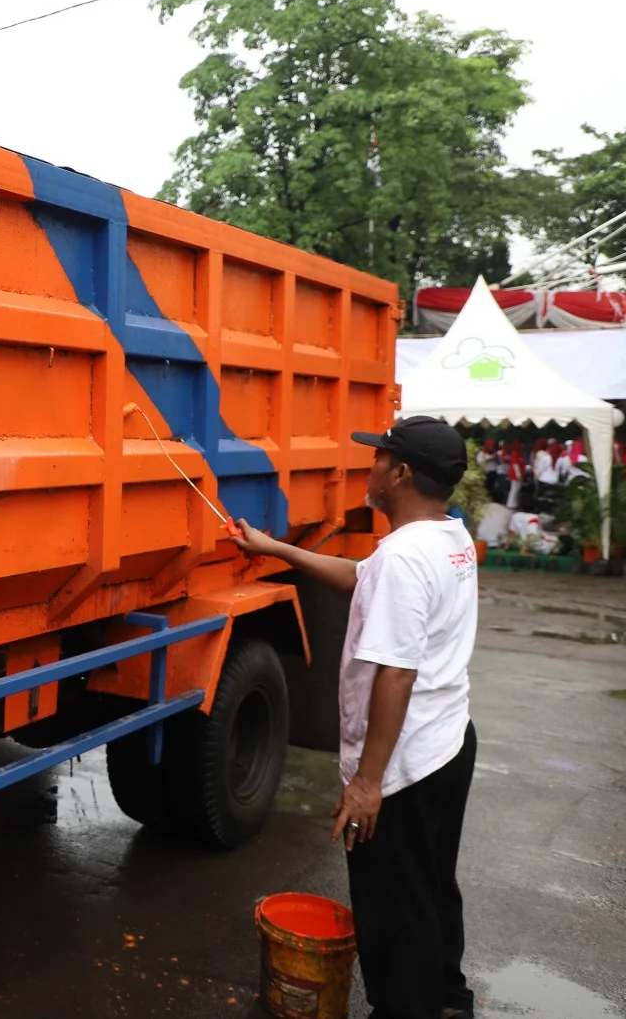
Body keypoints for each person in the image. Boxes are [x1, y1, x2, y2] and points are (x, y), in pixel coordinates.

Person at [232, 416, 477, 1019]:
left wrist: (368, 783)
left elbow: (395, 675)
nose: (368, 469)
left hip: (405, 763)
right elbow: (357, 577)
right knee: (431, 884)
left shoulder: (404, 558)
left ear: (400, 473)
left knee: (394, 905)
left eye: (378, 458)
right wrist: (275, 549)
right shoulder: (448, 538)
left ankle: (406, 1008)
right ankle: (449, 999)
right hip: (448, 742)